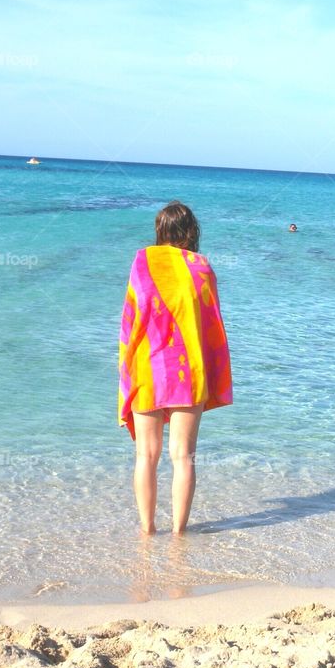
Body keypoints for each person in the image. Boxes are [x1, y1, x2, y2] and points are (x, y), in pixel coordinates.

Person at [118, 201, 233, 535]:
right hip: (188, 371)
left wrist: (125, 372)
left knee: (146, 456)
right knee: (183, 457)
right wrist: (215, 375)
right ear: (191, 231)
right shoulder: (202, 268)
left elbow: (130, 320)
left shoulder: (142, 262)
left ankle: (147, 530)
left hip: (147, 369)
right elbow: (212, 327)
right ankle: (180, 534)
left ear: (160, 231)